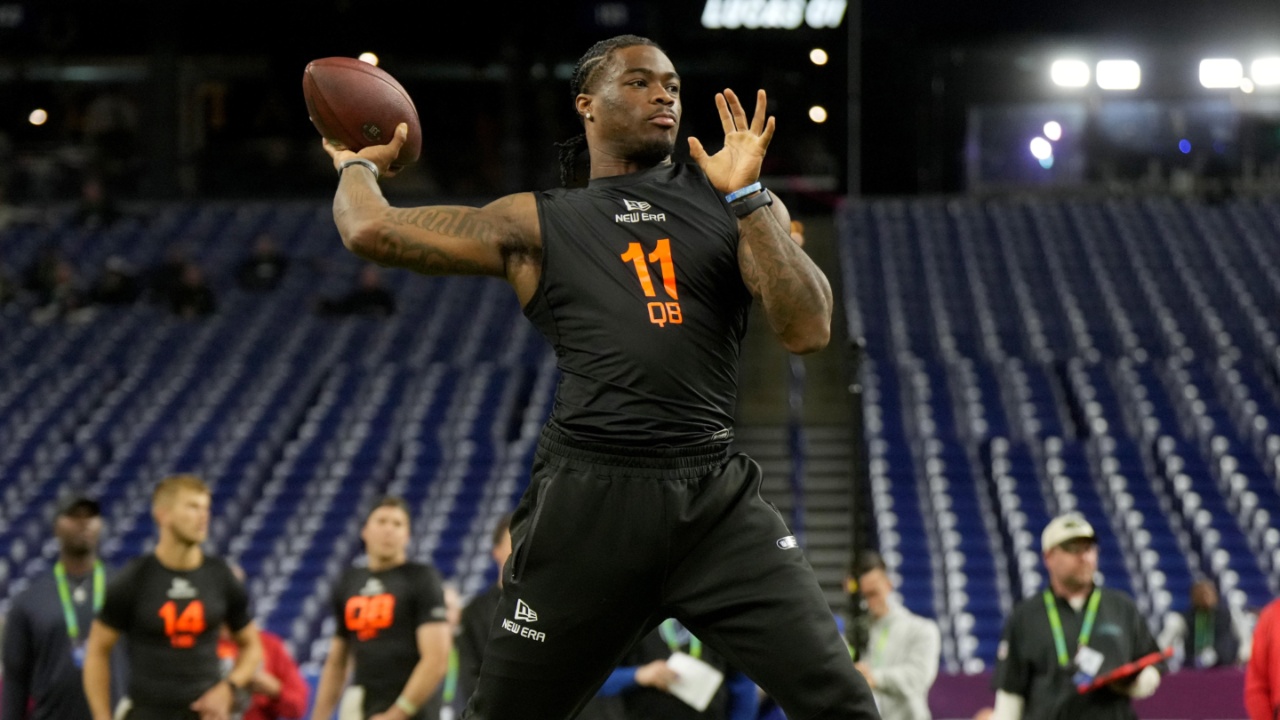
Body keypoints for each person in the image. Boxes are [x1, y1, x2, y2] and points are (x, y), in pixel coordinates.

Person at [319, 33, 874, 720]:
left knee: (845, 702)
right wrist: (354, 164)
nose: (664, 92)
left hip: (715, 504)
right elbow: (371, 232)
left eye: (671, 83)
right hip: (589, 506)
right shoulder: (539, 220)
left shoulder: (733, 205)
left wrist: (752, 198)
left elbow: (808, 329)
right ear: (587, 104)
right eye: (639, 81)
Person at [83, 475, 263, 720]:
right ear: (163, 514)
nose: (203, 516)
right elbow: (96, 651)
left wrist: (229, 688)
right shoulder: (135, 578)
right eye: (192, 506)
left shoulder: (220, 576)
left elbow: (252, 646)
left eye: (205, 508)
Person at [991, 512, 1163, 719]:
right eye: (1072, 549)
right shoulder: (1025, 616)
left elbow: (1153, 662)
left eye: (1089, 548)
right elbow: (1010, 694)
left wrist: (1137, 683)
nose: (1084, 557)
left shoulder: (1122, 607)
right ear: (1049, 557)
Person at [309, 497, 452, 720]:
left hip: (416, 713)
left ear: (407, 535)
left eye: (397, 524)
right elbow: (337, 662)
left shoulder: (422, 578)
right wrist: (319, 716)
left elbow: (436, 659)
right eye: (382, 521)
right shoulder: (349, 581)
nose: (389, 530)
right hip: (367, 708)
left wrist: (397, 714)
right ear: (365, 530)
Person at [1, 496, 123, 720]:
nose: (83, 523)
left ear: (101, 524)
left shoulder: (125, 588)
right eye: (74, 516)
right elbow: (15, 680)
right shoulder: (30, 599)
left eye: (90, 516)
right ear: (56, 525)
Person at [597, 617, 758, 720]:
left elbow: (743, 686)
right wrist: (638, 675)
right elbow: (596, 682)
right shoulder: (634, 620)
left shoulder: (719, 621)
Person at [851, 550, 940, 720]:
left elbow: (919, 677)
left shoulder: (922, 630)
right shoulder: (857, 630)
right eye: (865, 595)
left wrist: (874, 678)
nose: (870, 602)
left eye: (874, 593)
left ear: (888, 585)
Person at [215, 566, 309, 720]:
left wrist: (274, 689)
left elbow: (298, 706)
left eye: (233, 590)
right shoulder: (196, 645)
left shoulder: (269, 645)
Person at [454, 514, 512, 709]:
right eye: (515, 538)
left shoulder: (550, 609)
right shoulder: (474, 612)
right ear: (496, 551)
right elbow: (468, 675)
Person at [1157, 578, 1242, 670]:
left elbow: (1244, 639)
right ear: (1193, 597)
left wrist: (1242, 655)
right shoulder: (1183, 619)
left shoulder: (1228, 615)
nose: (1206, 597)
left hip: (1224, 668)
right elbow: (1163, 643)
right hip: (1193, 669)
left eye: (1209, 593)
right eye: (1201, 593)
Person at [315, 266, 396, 317]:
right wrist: (324, 304)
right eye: (365, 277)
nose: (367, 279)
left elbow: (390, 312)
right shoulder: (357, 296)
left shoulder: (385, 296)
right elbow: (343, 307)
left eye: (371, 277)